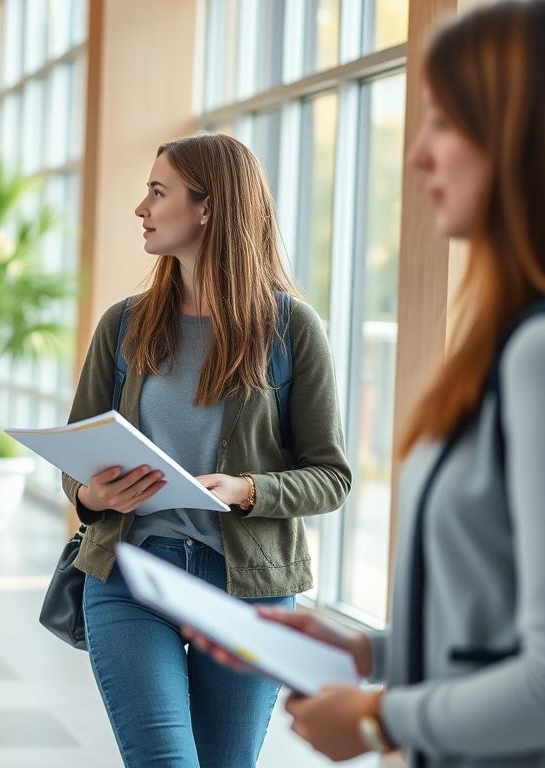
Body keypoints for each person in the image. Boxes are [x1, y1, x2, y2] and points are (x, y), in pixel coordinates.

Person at [187, 1, 545, 765]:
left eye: (447, 124)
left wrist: (380, 722)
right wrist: (367, 653)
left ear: (531, 143)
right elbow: (529, 625)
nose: (419, 154)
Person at [61, 133, 351, 767]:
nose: (141, 207)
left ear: (208, 207)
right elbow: (77, 461)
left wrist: (246, 490)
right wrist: (90, 493)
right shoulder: (125, 324)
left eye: (157, 192)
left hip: (248, 589)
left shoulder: (291, 330)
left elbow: (331, 477)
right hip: (134, 572)